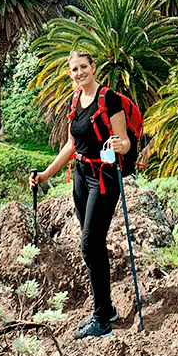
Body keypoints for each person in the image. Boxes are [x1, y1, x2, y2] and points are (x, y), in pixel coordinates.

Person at [29, 50, 131, 339]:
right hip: (80, 177)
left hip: (104, 177)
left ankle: (102, 321)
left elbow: (123, 141)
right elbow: (71, 145)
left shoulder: (108, 99)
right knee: (93, 245)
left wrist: (118, 146)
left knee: (89, 243)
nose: (78, 73)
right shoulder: (75, 100)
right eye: (74, 69)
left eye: (83, 67)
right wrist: (46, 175)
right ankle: (106, 308)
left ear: (93, 67)